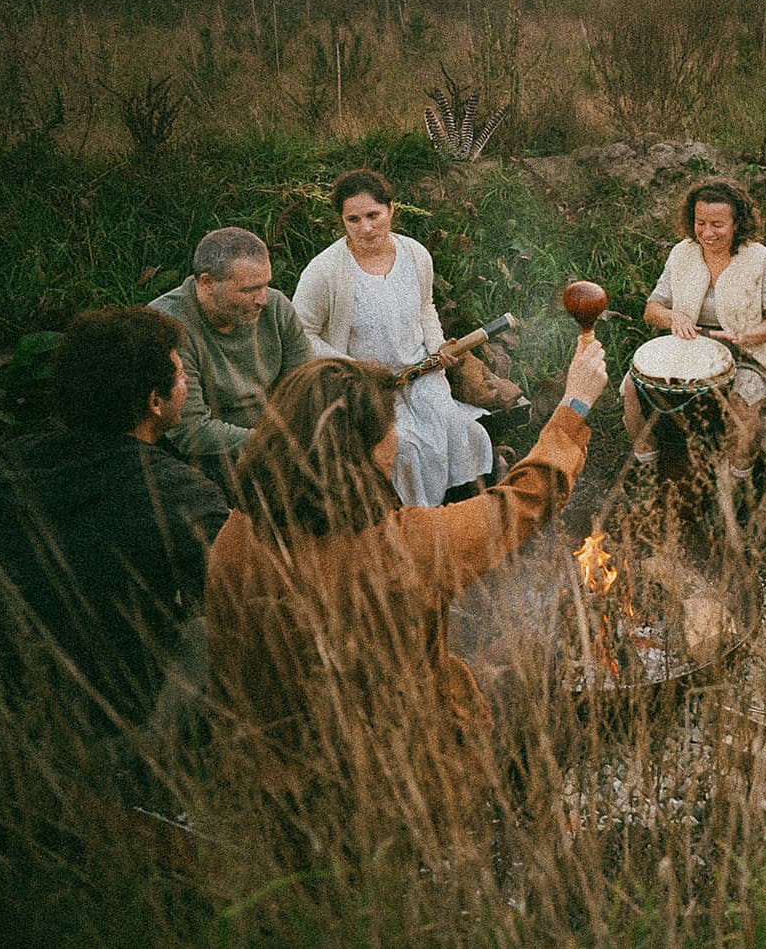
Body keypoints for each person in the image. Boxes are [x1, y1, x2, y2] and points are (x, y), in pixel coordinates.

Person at [205, 339, 607, 864]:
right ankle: (516, 832)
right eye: (389, 430)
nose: (397, 440)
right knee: (529, 653)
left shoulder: (235, 534)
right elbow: (522, 502)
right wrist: (573, 407)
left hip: (273, 776)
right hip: (392, 785)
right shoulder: (399, 549)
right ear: (362, 453)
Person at [0, 306, 229, 732]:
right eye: (182, 377)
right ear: (154, 401)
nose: (187, 385)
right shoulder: (178, 491)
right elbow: (235, 588)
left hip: (21, 705)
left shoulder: (11, 468)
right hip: (130, 718)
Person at [292, 168, 504, 507]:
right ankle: (414, 529)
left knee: (461, 431)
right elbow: (302, 332)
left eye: (373, 215)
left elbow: (425, 307)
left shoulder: (415, 254)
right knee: (404, 449)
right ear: (342, 221)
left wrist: (437, 348)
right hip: (364, 389)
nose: (366, 227)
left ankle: (465, 517)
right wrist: (353, 370)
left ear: (391, 210)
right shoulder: (325, 270)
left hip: (421, 373)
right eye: (353, 219)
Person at [622, 177, 766, 479]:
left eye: (718, 224)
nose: (707, 232)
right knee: (632, 386)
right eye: (700, 222)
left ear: (737, 223)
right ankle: (648, 467)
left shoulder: (760, 260)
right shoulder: (682, 253)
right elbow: (652, 309)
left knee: (741, 402)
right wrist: (672, 319)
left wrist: (747, 334)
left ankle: (738, 481)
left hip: (750, 353)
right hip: (689, 348)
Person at [149, 226, 313, 489]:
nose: (262, 299)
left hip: (274, 441)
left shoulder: (277, 307)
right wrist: (273, 443)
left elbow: (308, 388)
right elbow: (189, 430)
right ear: (207, 283)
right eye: (249, 290)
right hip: (209, 458)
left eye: (266, 285)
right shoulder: (167, 324)